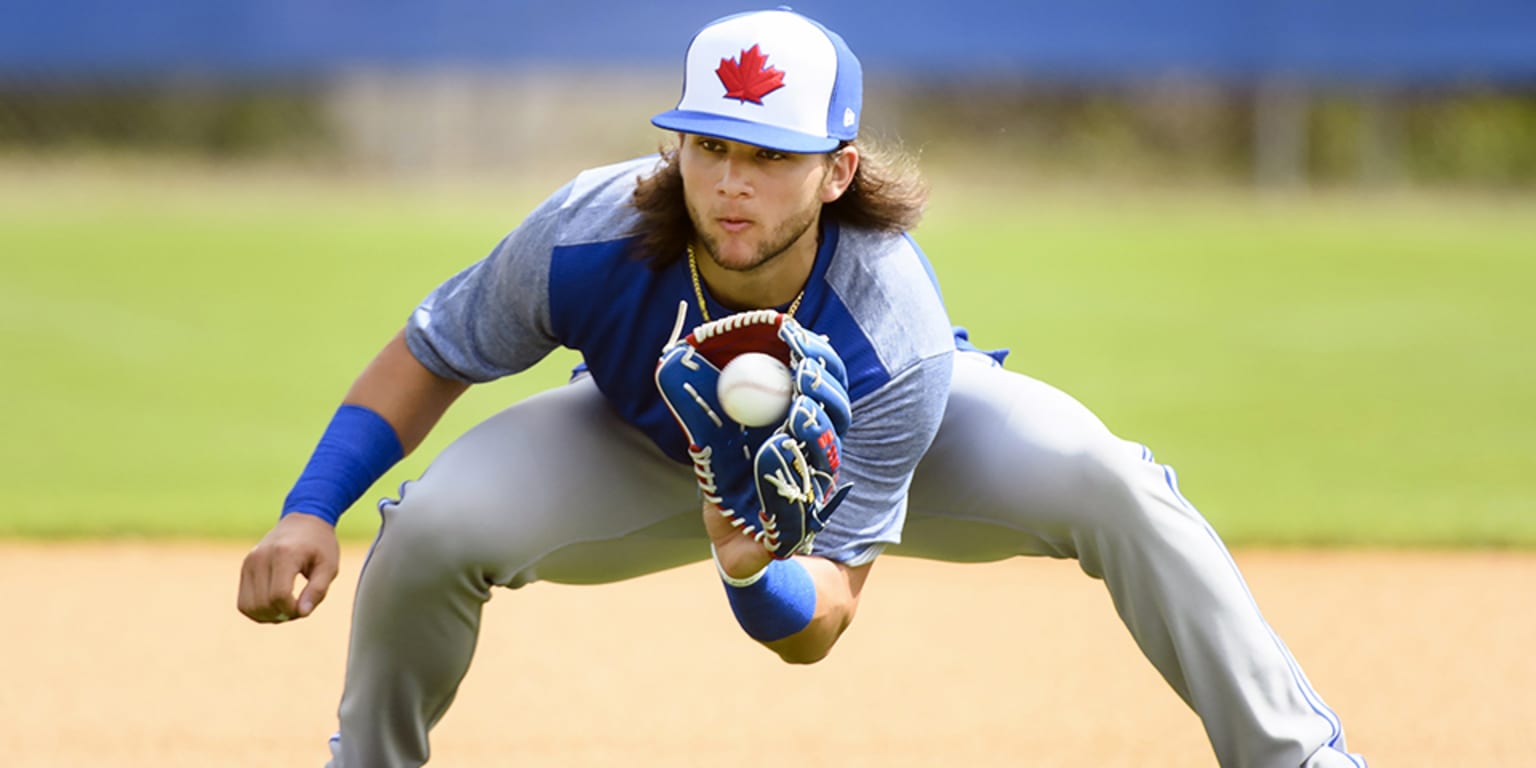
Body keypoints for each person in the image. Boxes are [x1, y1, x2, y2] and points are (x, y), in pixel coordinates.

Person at [236, 8, 1367, 767]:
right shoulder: (586, 231)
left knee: (1109, 481)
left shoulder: (893, 325)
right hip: (635, 438)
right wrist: (307, 506)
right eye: (711, 146)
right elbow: (436, 349)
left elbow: (821, 624)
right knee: (431, 525)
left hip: (882, 445)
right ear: (674, 149)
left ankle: (1299, 760)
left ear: (836, 171)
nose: (732, 182)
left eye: (770, 157)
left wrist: (750, 574)